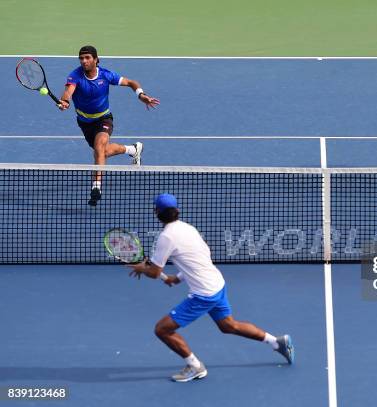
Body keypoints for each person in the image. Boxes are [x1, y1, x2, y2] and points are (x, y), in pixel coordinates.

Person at [128, 193, 294, 383]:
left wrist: (143, 268)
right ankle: (276, 341)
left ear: (156, 212)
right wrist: (177, 278)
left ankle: (195, 366)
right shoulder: (188, 228)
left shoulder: (166, 237)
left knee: (162, 329)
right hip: (217, 283)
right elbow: (202, 256)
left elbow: (155, 272)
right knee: (228, 325)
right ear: (177, 211)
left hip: (204, 294)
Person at [58, 45, 160, 206]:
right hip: (84, 123)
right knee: (102, 153)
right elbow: (68, 92)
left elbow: (131, 82)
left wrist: (141, 95)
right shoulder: (75, 76)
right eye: (81, 58)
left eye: (87, 58)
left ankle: (96, 187)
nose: (84, 61)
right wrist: (64, 101)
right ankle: (133, 150)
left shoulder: (105, 75)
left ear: (96, 59)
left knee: (99, 147)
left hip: (104, 119)